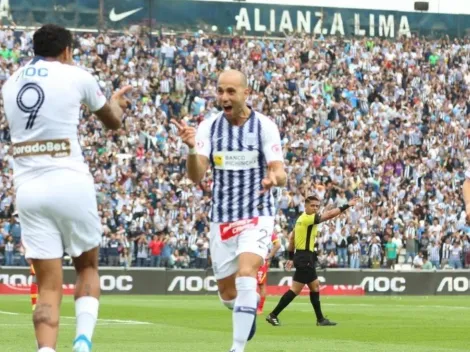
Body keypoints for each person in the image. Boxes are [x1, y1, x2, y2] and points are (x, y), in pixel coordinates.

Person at [2, 24, 130, 352]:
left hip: (29, 190)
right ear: (67, 50)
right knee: (87, 266)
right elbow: (113, 121)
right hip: (70, 181)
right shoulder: (77, 75)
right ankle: (82, 344)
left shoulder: (10, 83)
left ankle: (45, 350)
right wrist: (115, 102)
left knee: (47, 286)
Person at [172, 69, 286, 352]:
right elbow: (197, 176)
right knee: (227, 294)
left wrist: (274, 179)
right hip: (222, 218)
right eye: (220, 91)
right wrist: (190, 150)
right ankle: (244, 314)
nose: (224, 97)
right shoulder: (209, 127)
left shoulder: (264, 126)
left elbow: (280, 171)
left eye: (231, 91)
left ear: (246, 93)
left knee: (247, 272)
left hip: (257, 213)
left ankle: (236, 348)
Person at [266, 194, 358, 327]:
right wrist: (347, 205)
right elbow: (329, 215)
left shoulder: (300, 219)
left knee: (314, 287)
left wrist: (291, 258)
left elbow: (292, 239)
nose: (315, 208)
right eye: (312, 206)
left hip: (303, 257)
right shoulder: (308, 219)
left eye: (317, 206)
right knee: (295, 290)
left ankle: (320, 319)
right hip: (305, 258)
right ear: (305, 206)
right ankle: (273, 315)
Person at [257, 232, 281, 315]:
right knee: (252, 284)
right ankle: (254, 307)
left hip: (259, 260)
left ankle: (259, 308)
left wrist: (269, 255)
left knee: (260, 285)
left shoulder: (267, 230)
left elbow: (278, 244)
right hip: (254, 259)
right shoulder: (266, 229)